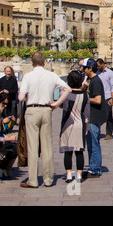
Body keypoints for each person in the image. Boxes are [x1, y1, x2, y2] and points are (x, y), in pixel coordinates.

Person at [18, 52, 72, 188]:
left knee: (33, 146)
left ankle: (33, 180)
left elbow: (20, 97)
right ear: (44, 63)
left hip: (31, 110)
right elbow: (67, 89)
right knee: (47, 146)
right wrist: (56, 103)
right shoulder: (51, 75)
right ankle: (48, 179)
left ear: (31, 63)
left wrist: (28, 98)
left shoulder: (27, 76)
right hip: (47, 109)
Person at [59, 70, 90, 183]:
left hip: (67, 124)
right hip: (79, 124)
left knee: (68, 151)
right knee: (79, 151)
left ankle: (68, 175)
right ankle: (79, 175)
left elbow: (61, 105)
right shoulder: (85, 95)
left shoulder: (66, 94)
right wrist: (86, 127)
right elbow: (87, 114)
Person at [81, 58, 107, 178]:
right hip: (91, 116)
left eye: (85, 68)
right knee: (91, 144)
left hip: (94, 116)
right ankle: (93, 167)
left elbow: (98, 100)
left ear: (90, 68)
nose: (83, 70)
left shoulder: (95, 81)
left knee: (94, 143)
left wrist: (85, 99)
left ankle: (95, 169)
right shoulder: (92, 80)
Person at [96, 59, 113, 141]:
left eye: (98, 65)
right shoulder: (96, 73)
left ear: (103, 64)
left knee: (108, 116)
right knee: (97, 115)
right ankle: (97, 132)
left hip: (107, 97)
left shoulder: (110, 73)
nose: (97, 67)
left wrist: (112, 98)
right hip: (98, 97)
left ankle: (109, 133)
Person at [0, 93, 17, 181]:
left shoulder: (2, 113)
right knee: (11, 148)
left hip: (2, 139)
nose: (5, 106)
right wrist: (9, 139)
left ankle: (4, 169)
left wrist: (11, 122)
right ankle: (2, 169)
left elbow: (6, 130)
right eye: (3, 103)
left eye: (7, 104)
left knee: (15, 148)